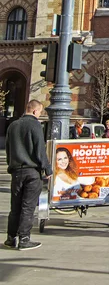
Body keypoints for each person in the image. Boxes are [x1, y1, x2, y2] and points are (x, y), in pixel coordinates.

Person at [5, 99, 52, 250]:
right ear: (34, 111)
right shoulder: (34, 124)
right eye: (39, 112)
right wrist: (47, 168)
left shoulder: (13, 125)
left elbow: (8, 148)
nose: (39, 115)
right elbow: (39, 149)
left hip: (16, 171)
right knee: (28, 206)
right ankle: (24, 239)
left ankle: (11, 238)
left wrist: (11, 165)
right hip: (32, 172)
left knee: (15, 206)